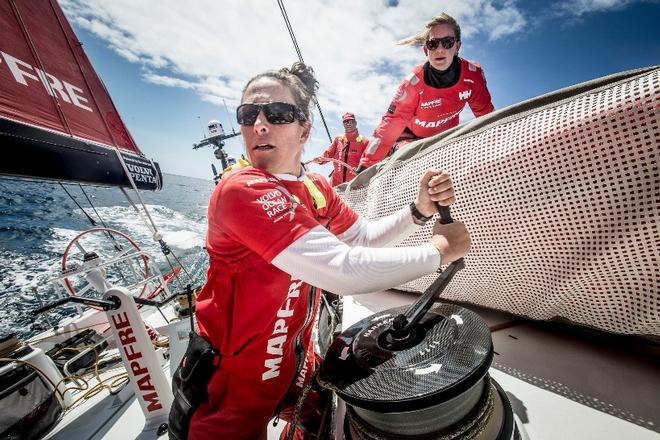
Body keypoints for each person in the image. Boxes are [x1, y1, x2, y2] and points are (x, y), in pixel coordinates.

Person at [171, 61, 471, 440]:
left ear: (305, 129)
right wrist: (440, 250)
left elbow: (362, 239)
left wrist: (418, 211)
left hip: (292, 364)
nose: (260, 125)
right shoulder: (241, 191)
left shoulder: (314, 187)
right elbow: (343, 272)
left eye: (278, 114)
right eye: (248, 115)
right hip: (228, 393)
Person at [357, 12, 494, 171]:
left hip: (442, 139)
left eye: (447, 42)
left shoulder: (473, 74)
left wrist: (495, 146)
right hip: (409, 140)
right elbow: (391, 123)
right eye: (433, 44)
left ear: (457, 46)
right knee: (413, 160)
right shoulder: (412, 84)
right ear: (425, 50)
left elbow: (485, 115)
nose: (439, 50)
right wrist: (366, 164)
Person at [313, 112, 369, 186]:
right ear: (343, 124)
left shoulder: (364, 141)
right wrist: (320, 160)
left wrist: (361, 170)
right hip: (336, 184)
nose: (348, 124)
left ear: (355, 123)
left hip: (354, 185)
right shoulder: (338, 139)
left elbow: (368, 161)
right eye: (345, 122)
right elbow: (328, 154)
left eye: (350, 121)